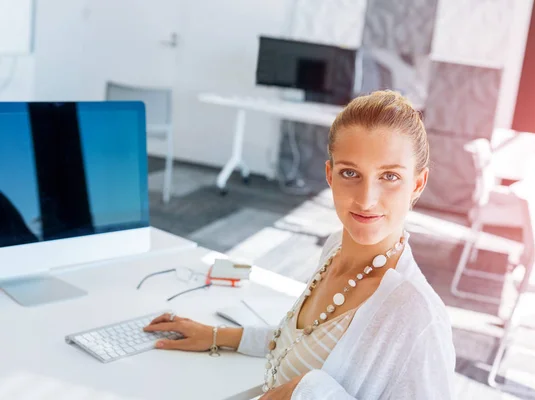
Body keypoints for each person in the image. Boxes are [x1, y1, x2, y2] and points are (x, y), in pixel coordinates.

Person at [144, 90, 456, 399]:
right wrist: (217, 335)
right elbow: (303, 341)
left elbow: (313, 379)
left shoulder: (418, 316)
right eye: (350, 173)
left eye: (389, 176)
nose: (366, 199)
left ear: (417, 184)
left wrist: (307, 391)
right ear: (330, 175)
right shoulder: (335, 249)